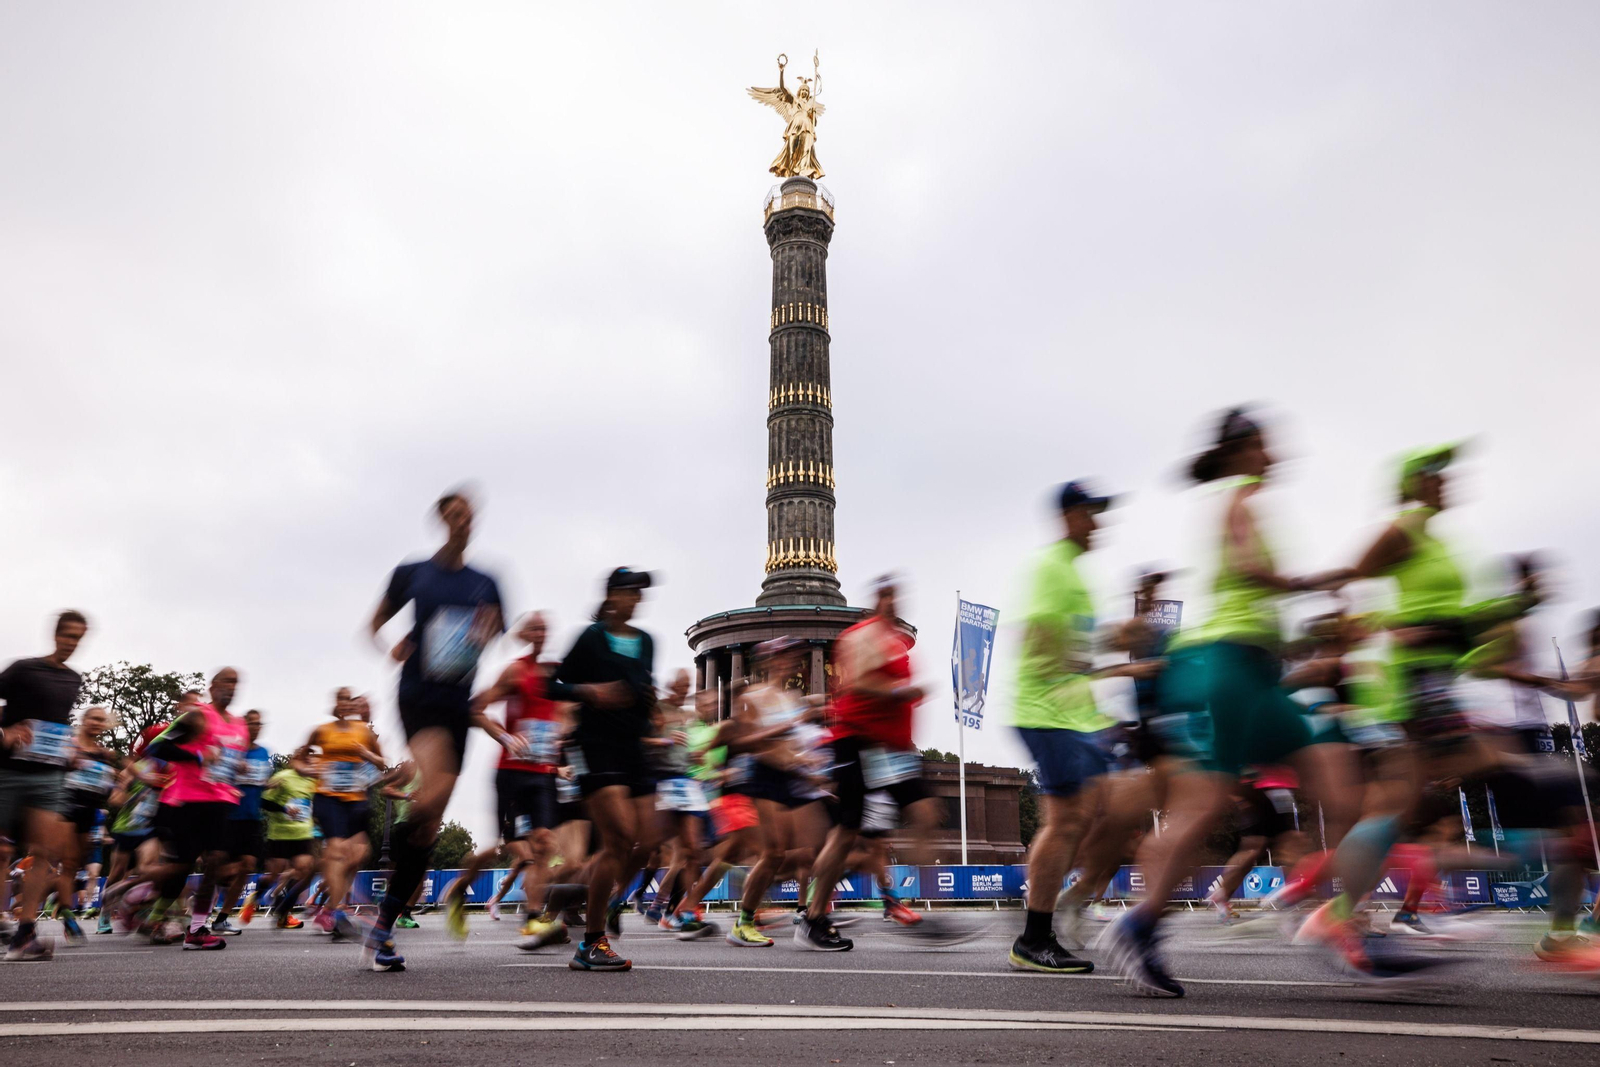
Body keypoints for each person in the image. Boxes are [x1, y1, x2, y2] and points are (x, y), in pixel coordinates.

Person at [1100, 409, 1358, 996]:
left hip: (1258, 673)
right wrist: (1314, 582)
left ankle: (1333, 914)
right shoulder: (1239, 499)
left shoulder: (1249, 500)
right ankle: (1139, 923)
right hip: (1222, 667)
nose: (1274, 453)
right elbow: (1250, 570)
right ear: (1243, 450)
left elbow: (1252, 596)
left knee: (1339, 788)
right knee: (1203, 807)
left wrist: (1298, 648)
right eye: (1264, 444)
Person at [362, 490, 508, 972]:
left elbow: (496, 631)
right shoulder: (413, 573)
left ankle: (382, 928)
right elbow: (375, 621)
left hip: (457, 701)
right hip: (419, 695)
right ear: (442, 520)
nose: (463, 520)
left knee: (427, 827)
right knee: (433, 794)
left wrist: (486, 630)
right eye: (454, 513)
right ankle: (397, 801)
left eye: (470, 514)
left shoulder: (486, 581)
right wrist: (392, 647)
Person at [1010, 481, 1153, 974]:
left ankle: (1069, 900)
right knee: (1068, 820)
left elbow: (1078, 642)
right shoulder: (1053, 568)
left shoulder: (1076, 572)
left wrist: (1120, 638)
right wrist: (1113, 662)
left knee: (1106, 813)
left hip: (1074, 715)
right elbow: (1044, 639)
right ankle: (1036, 935)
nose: (1099, 523)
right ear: (1070, 516)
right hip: (1049, 712)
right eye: (1092, 513)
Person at [799, 576, 943, 952]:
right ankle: (813, 917)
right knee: (847, 832)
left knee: (927, 814)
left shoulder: (897, 643)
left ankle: (921, 901)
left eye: (897, 595)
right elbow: (858, 685)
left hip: (894, 750)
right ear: (875, 601)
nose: (893, 601)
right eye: (886, 595)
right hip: (857, 743)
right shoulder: (861, 636)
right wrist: (901, 691)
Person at [555, 567, 664, 971]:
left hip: (633, 747)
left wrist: (649, 701)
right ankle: (591, 942)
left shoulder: (647, 641)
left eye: (640, 592)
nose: (636, 598)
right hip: (596, 747)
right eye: (629, 590)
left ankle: (593, 897)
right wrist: (592, 692)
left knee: (649, 839)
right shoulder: (591, 638)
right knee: (618, 841)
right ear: (611, 596)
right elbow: (553, 684)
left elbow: (641, 688)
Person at [453, 612, 569, 946]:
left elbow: (562, 715)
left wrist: (558, 741)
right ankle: (459, 890)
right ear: (524, 634)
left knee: (543, 845)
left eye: (545, 628)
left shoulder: (553, 676)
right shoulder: (516, 670)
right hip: (512, 772)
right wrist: (506, 738)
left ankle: (533, 920)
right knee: (500, 848)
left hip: (542, 774)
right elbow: (475, 710)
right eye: (534, 627)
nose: (540, 633)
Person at [0, 610, 90, 962]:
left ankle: (24, 935)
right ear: (55, 634)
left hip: (49, 775)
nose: (71, 643)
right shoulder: (24, 669)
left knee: (44, 853)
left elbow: (55, 722)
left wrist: (69, 748)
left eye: (78, 638)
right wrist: (4, 734)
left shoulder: (73, 680)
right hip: (8, 770)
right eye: (67, 635)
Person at [142, 667, 251, 951]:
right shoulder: (197, 716)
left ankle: (197, 928)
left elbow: (227, 762)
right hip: (186, 800)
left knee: (215, 860)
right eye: (226, 681)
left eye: (235, 683)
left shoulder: (240, 725)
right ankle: (136, 898)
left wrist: (237, 767)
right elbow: (156, 747)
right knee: (181, 866)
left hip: (220, 801)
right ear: (213, 686)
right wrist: (198, 756)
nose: (231, 687)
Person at [306, 690, 384, 939]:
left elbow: (382, 764)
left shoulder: (364, 733)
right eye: (342, 698)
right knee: (337, 851)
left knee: (359, 854)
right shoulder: (322, 731)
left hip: (357, 800)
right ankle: (336, 912)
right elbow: (300, 756)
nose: (347, 704)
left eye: (350, 699)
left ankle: (327, 906)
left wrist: (367, 754)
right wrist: (311, 768)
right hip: (329, 798)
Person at [61, 705, 120, 944]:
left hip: (89, 811)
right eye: (93, 718)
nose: (97, 723)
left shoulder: (104, 754)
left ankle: (65, 910)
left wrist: (116, 791)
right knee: (63, 861)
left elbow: (108, 789)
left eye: (101, 720)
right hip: (65, 806)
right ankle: (67, 917)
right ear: (84, 720)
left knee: (73, 863)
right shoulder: (70, 744)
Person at [257, 747, 319, 929]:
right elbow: (263, 802)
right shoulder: (283, 776)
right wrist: (285, 809)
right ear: (298, 758)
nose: (310, 762)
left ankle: (283, 909)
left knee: (305, 870)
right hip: (280, 833)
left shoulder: (312, 780)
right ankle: (257, 896)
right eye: (308, 758)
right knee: (273, 876)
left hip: (303, 834)